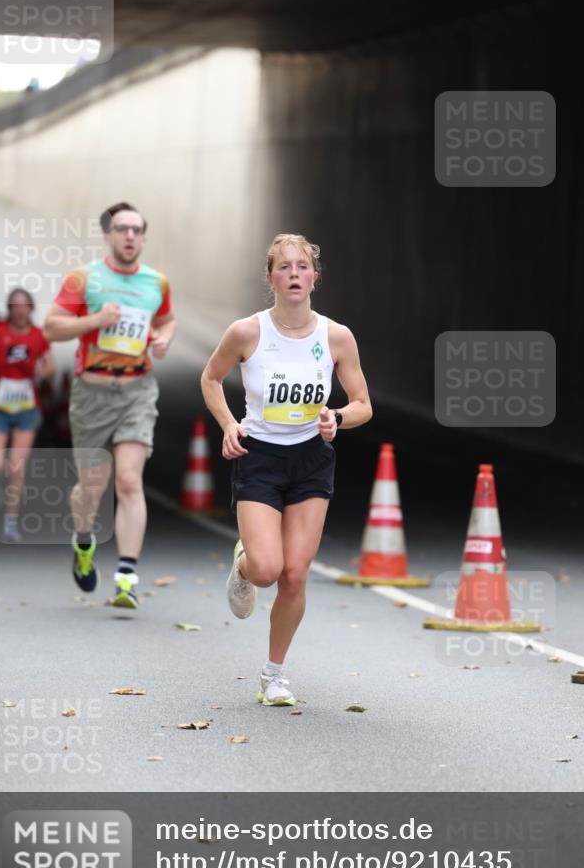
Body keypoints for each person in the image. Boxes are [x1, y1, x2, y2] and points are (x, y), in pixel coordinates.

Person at [201, 233, 372, 706]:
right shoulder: (247, 333)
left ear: (315, 276)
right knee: (267, 569)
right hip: (259, 459)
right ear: (270, 278)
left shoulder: (335, 337)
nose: (294, 274)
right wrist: (229, 424)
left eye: (302, 266)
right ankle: (243, 567)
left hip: (311, 459)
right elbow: (211, 378)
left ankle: (273, 675)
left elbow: (363, 405)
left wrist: (336, 417)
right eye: (284, 267)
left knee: (295, 574)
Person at [43, 202, 176, 608]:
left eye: (137, 229)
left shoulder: (158, 282)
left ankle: (126, 575)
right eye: (122, 229)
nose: (130, 236)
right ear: (109, 235)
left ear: (144, 236)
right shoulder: (84, 279)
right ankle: (84, 542)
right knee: (92, 487)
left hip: (138, 390)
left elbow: (167, 319)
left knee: (130, 481)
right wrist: (94, 322)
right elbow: (51, 326)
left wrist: (164, 338)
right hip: (92, 394)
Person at [0, 287, 55, 542]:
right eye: (15, 305)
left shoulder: (39, 336)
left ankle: (9, 521)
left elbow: (50, 366)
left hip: (27, 408)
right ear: (10, 309)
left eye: (24, 305)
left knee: (17, 467)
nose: (20, 310)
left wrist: (43, 371)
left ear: (30, 308)